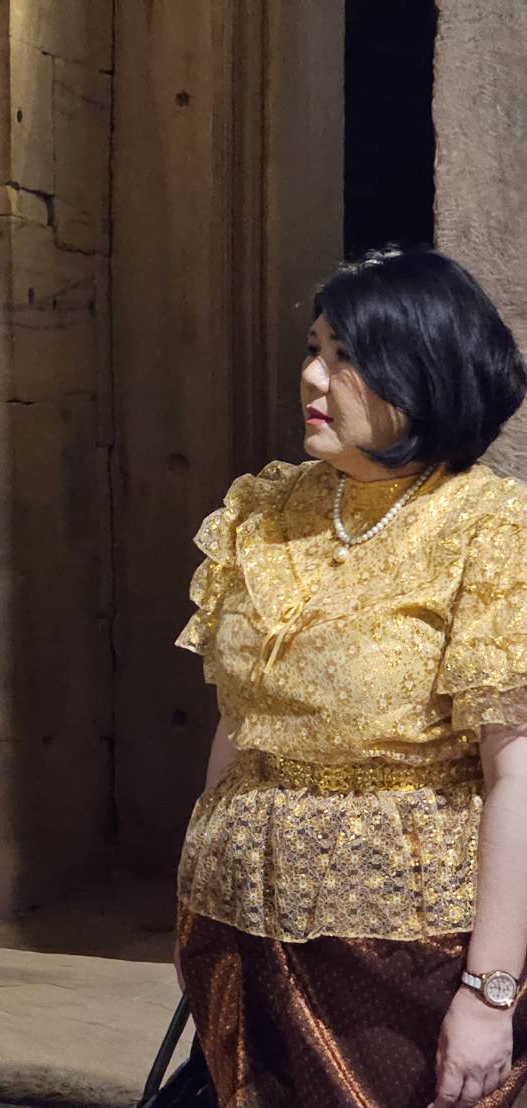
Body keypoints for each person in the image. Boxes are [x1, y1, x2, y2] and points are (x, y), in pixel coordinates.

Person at [174, 248, 527, 1108]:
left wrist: (489, 993)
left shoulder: (486, 528)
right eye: (313, 349)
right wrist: (192, 898)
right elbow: (239, 723)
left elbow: (516, 774)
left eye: (345, 357)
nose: (311, 376)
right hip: (234, 924)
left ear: (422, 372)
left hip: (402, 949)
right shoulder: (265, 509)